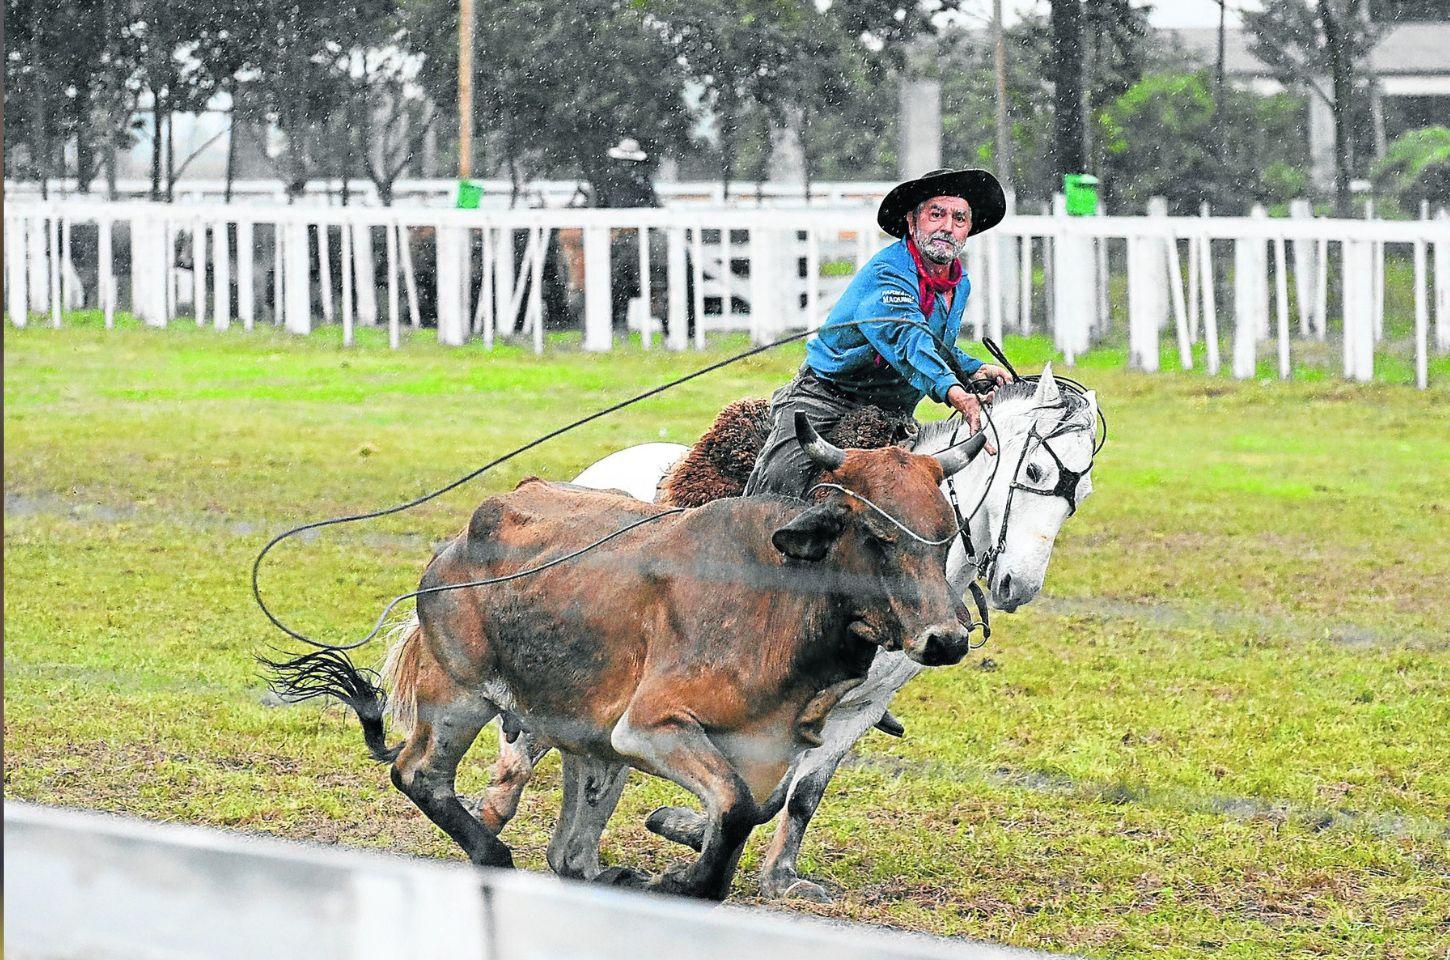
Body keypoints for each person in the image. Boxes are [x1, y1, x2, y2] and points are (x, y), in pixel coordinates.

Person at [743, 168, 1015, 499]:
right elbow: (908, 341)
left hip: (894, 410)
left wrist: (970, 368)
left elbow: (934, 344)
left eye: (959, 218)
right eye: (936, 214)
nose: (947, 226)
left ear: (968, 230)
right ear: (912, 222)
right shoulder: (888, 273)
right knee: (779, 480)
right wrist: (957, 395)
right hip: (828, 398)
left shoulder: (959, 285)